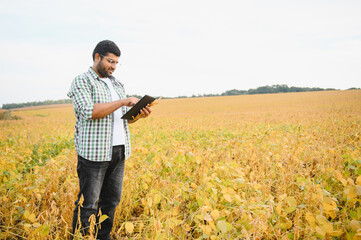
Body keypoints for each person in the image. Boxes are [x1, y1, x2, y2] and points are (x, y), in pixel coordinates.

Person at [67, 40, 151, 240]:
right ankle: (80, 238)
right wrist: (123, 101)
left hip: (119, 151)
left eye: (116, 63)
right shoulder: (82, 81)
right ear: (97, 57)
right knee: (88, 204)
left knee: (111, 202)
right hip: (94, 154)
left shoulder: (117, 83)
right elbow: (89, 111)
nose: (113, 66)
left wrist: (139, 114)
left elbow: (125, 119)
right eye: (110, 61)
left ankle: (103, 237)